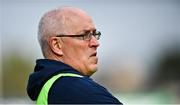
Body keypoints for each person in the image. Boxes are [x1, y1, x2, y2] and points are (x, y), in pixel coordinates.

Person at [27, 6, 122, 104]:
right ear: (57, 45)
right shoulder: (76, 90)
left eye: (94, 34)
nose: (96, 43)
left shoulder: (47, 87)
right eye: (85, 35)